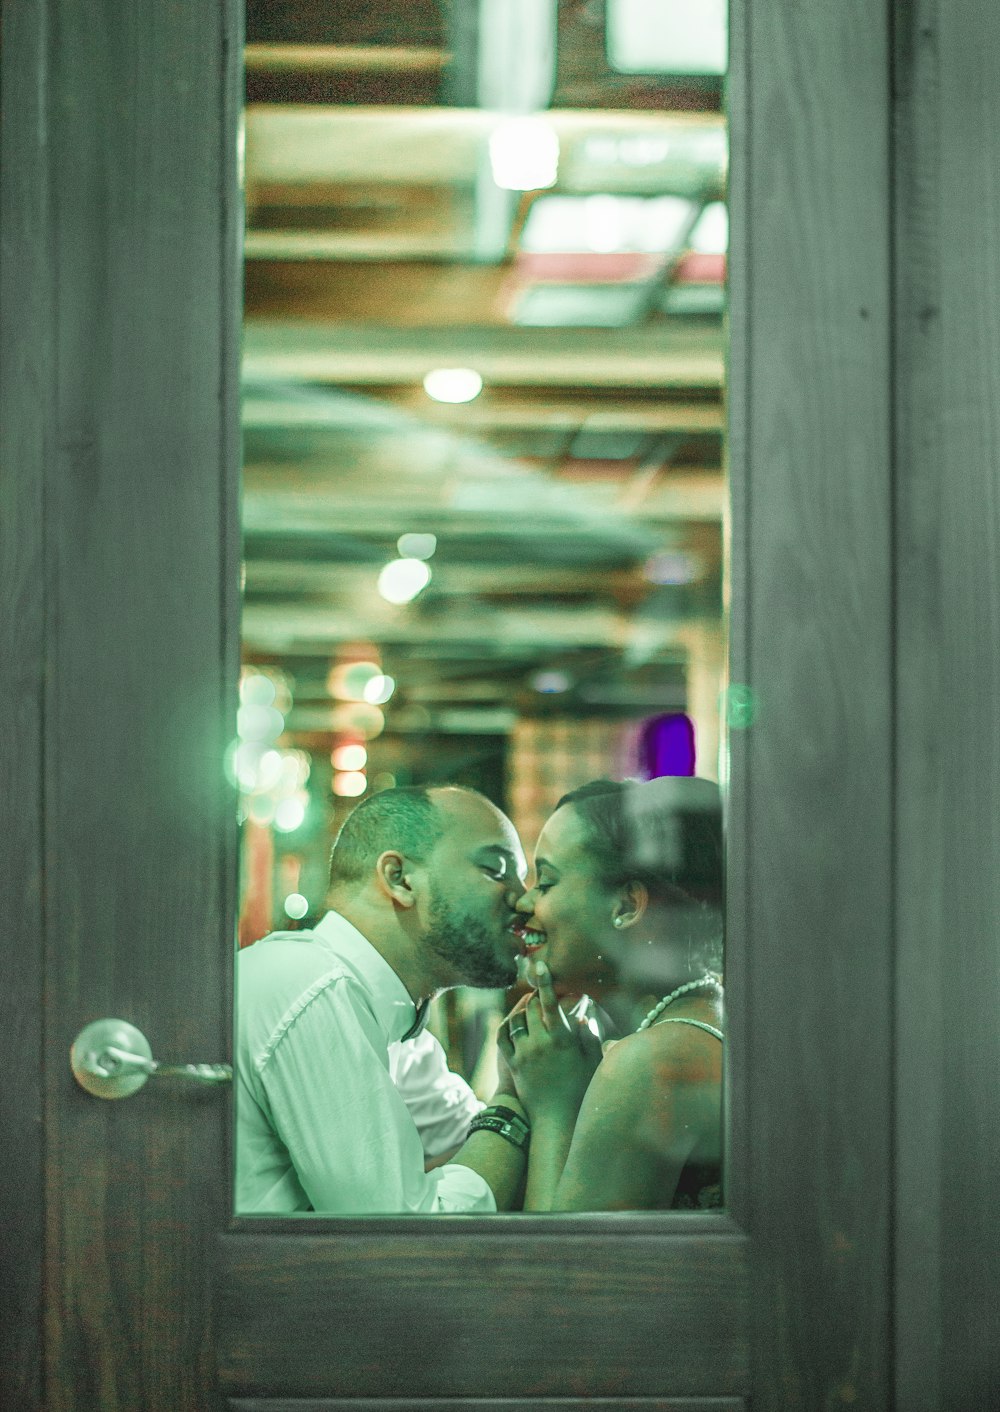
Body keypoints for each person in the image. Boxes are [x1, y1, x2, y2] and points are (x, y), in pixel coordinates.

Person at [236, 783, 598, 1214]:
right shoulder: (315, 989)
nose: (522, 899)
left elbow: (477, 1145)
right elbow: (401, 1232)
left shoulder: (396, 1028)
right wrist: (515, 1098)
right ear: (399, 878)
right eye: (496, 869)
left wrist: (534, 1075)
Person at [503, 775, 724, 1211]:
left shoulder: (648, 1063)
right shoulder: (705, 1020)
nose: (524, 904)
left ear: (625, 906)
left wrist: (551, 1109)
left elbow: (557, 1270)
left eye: (546, 882)